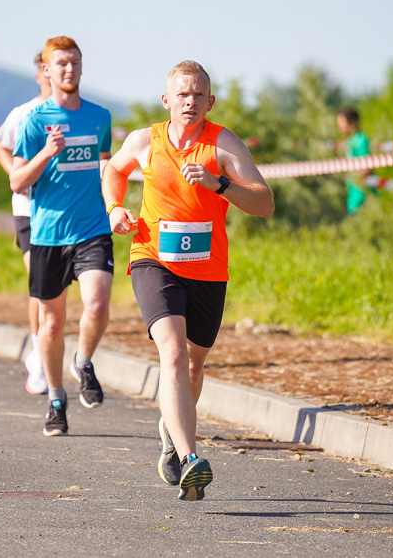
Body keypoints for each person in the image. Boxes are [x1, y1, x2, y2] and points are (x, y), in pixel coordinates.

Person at [102, 60, 274, 501]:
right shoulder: (145, 140)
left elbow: (264, 204)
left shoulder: (223, 144)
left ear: (210, 102)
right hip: (153, 259)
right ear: (167, 100)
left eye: (198, 95)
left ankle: (170, 434)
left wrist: (220, 185)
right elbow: (114, 171)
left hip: (208, 270)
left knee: (194, 365)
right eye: (182, 94)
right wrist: (115, 209)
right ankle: (190, 459)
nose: (190, 101)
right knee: (174, 355)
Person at [10, 36, 113, 437]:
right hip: (49, 234)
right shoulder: (34, 121)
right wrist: (46, 153)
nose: (68, 69)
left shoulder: (100, 117)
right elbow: (18, 181)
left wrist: (116, 204)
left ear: (81, 67)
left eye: (74, 62)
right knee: (51, 327)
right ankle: (56, 398)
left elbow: (106, 167)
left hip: (92, 229)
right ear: (47, 71)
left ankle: (83, 361)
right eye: (61, 64)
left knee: (98, 305)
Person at [0, 52, 52, 396]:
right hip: (28, 209)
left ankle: (43, 346)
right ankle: (39, 355)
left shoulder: (75, 114)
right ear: (39, 74)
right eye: (47, 69)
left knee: (54, 291)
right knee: (39, 280)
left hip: (62, 212)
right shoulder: (23, 113)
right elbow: (2, 147)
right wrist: (17, 175)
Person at [336, 107, 372, 214]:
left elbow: (367, 168)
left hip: (362, 193)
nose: (340, 128)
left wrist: (355, 174)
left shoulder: (361, 140)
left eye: (342, 124)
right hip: (353, 192)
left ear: (353, 122)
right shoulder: (349, 142)